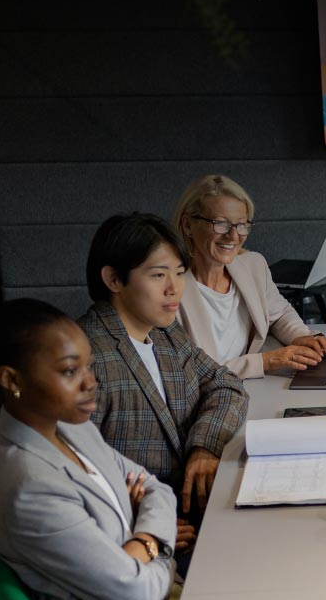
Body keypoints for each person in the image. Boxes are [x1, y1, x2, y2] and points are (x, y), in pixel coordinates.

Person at [0, 299, 176, 600]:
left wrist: (138, 548)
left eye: (89, 366)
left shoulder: (70, 425)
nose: (91, 383)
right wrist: (156, 543)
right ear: (11, 380)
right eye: (70, 371)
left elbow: (157, 488)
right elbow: (139, 597)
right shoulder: (29, 487)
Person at [79, 212, 247, 536]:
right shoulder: (85, 358)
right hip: (140, 532)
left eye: (180, 273)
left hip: (192, 508)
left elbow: (226, 384)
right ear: (113, 280)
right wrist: (142, 525)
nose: (174, 288)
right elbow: (73, 471)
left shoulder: (164, 331)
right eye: (158, 275)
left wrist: (204, 447)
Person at [172, 174, 326, 379]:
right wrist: (264, 362)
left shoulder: (253, 265)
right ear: (188, 225)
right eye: (221, 224)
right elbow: (188, 373)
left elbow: (280, 314)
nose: (233, 236)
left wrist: (300, 336)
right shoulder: (169, 289)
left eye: (241, 225)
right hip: (209, 395)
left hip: (254, 388)